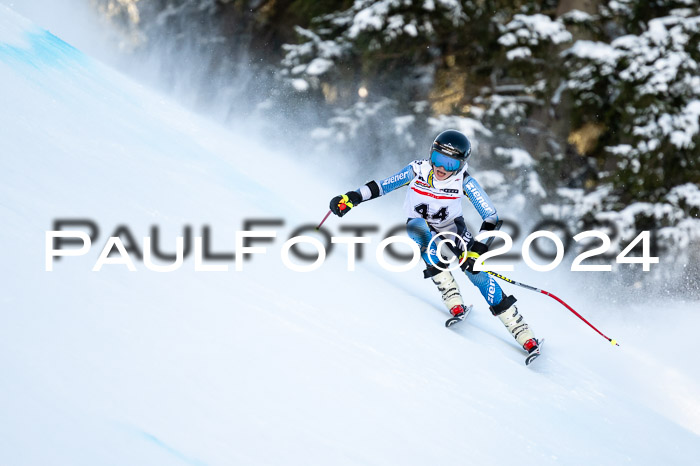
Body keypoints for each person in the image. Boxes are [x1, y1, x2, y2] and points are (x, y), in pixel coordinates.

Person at [329, 129, 539, 355]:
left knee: (476, 272)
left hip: (451, 227)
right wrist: (353, 198)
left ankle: (520, 329)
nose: (441, 168)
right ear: (431, 154)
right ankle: (451, 294)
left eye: (450, 164)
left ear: (461, 164)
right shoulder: (417, 170)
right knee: (419, 232)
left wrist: (476, 253)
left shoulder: (465, 182)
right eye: (438, 159)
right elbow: (382, 186)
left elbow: (492, 219)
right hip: (419, 222)